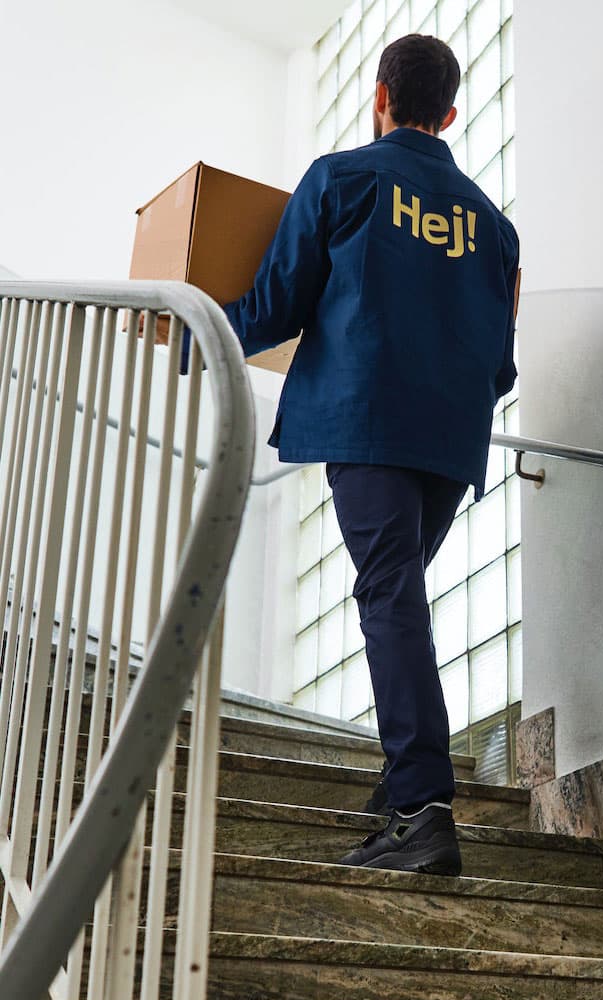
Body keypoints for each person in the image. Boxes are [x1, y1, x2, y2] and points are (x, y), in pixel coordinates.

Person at [190, 33, 519, 876]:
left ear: (380, 96)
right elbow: (501, 360)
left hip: (369, 419)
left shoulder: (342, 178)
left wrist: (192, 332)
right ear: (448, 114)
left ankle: (420, 807)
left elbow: (275, 304)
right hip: (449, 436)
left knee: (388, 597)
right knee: (398, 593)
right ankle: (399, 787)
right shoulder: (493, 225)